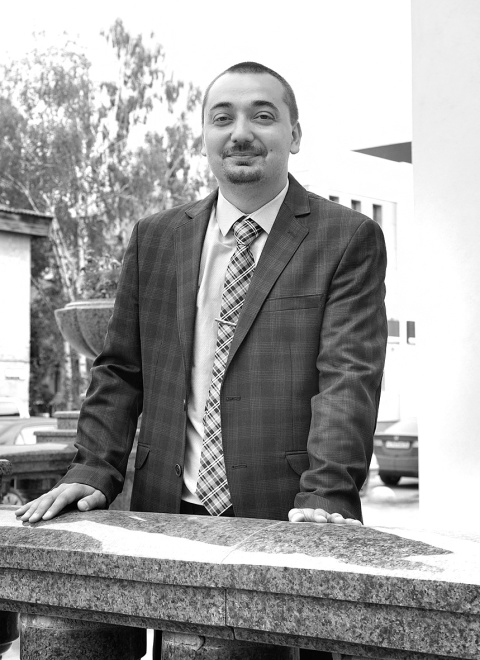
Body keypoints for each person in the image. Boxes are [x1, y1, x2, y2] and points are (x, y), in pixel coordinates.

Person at [17, 62, 386, 529]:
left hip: (292, 511)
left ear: (294, 135)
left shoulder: (347, 238)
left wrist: (327, 492)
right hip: (161, 507)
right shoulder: (155, 238)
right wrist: (93, 469)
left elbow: (347, 378)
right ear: (205, 136)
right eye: (222, 118)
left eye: (263, 116)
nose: (241, 133)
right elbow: (120, 369)